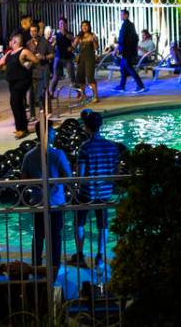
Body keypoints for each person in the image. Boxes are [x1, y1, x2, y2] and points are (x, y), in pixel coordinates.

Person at [69, 110, 121, 269]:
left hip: (87, 192)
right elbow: (115, 171)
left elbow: (82, 174)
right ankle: (100, 256)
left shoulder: (85, 148)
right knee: (102, 224)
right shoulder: (112, 147)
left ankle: (80, 255)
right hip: (105, 192)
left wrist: (76, 185)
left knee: (79, 222)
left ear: (86, 127)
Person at [21, 120, 72, 268]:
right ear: (47, 133)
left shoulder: (29, 155)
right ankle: (54, 266)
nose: (54, 133)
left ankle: (36, 266)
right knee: (55, 236)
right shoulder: (58, 154)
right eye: (52, 130)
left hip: (37, 201)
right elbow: (68, 176)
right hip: (56, 201)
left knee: (38, 235)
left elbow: (24, 180)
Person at [0, 33, 41, 139]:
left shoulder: (24, 51)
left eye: (11, 41)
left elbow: (36, 60)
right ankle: (23, 128)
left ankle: (20, 129)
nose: (9, 42)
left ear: (15, 41)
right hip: (12, 82)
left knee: (14, 102)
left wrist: (28, 64)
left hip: (22, 81)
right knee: (18, 104)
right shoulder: (10, 53)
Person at [113, 10, 147, 93]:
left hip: (126, 51)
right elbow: (135, 38)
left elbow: (121, 39)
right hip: (129, 50)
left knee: (129, 67)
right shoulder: (130, 25)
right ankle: (122, 85)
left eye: (121, 15)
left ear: (126, 15)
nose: (120, 16)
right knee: (123, 67)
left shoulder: (125, 25)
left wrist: (116, 49)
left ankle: (140, 85)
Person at [27, 24, 55, 118]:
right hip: (33, 70)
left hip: (44, 69)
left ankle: (48, 111)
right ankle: (36, 113)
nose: (33, 33)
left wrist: (44, 57)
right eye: (31, 31)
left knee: (45, 90)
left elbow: (52, 54)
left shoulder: (44, 42)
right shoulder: (28, 43)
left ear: (38, 31)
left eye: (35, 31)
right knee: (34, 92)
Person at [73, 21, 100, 104]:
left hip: (90, 59)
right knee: (80, 77)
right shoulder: (79, 36)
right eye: (82, 26)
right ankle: (83, 95)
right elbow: (73, 46)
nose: (84, 27)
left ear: (89, 26)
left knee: (90, 77)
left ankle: (95, 96)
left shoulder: (92, 35)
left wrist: (94, 41)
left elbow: (96, 48)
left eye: (86, 25)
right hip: (81, 59)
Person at [50, 17, 77, 96]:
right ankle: (51, 93)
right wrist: (52, 41)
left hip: (68, 58)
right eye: (60, 24)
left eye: (63, 23)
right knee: (55, 77)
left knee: (72, 77)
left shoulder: (69, 33)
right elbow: (51, 44)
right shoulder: (56, 35)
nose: (61, 25)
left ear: (66, 24)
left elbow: (74, 40)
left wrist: (65, 35)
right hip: (58, 58)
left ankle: (78, 93)